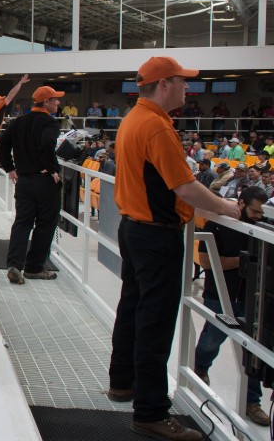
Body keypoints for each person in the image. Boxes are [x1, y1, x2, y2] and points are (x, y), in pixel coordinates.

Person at [106, 56, 239, 441]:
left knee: (132, 307)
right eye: (183, 82)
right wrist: (227, 207)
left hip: (134, 229)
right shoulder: (156, 127)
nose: (188, 88)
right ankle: (151, 412)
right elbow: (184, 188)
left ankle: (123, 382)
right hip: (156, 235)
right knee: (155, 320)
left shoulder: (134, 118)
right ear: (163, 84)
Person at [193, 186, 271, 426]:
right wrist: (247, 262)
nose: (258, 216)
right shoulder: (219, 223)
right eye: (254, 211)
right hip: (221, 296)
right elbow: (206, 260)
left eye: (261, 212)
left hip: (252, 301)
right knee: (211, 340)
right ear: (240, 203)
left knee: (252, 352)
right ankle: (199, 371)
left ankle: (252, 401)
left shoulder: (264, 227)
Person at [0, 85, 65, 285]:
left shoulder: (19, 122)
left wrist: (9, 167)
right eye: (55, 99)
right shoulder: (50, 124)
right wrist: (51, 168)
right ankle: (34, 268)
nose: (58, 103)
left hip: (24, 180)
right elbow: (46, 145)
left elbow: (2, 143)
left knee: (22, 223)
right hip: (45, 182)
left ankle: (14, 265)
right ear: (46, 102)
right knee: (45, 224)